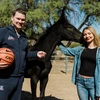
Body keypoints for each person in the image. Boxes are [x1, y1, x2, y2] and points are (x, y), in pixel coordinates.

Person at [0, 8, 46, 100]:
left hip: (19, 78)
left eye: (23, 19)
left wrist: (36, 54)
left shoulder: (23, 36)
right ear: (12, 18)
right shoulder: (3, 32)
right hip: (4, 78)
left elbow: (23, 53)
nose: (20, 21)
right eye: (18, 18)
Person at [58, 26, 100, 100]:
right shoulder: (80, 49)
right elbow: (66, 51)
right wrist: (57, 41)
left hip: (93, 83)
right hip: (80, 82)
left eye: (89, 33)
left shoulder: (99, 51)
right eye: (85, 34)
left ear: (93, 34)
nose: (87, 36)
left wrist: (99, 92)